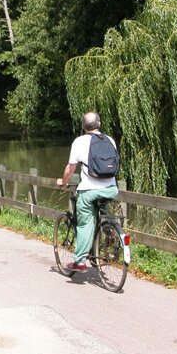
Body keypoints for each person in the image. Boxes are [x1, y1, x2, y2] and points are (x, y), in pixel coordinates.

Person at [56, 111, 118, 272]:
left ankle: (80, 261)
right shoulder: (109, 140)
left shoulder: (80, 141)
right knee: (102, 212)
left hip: (89, 190)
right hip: (111, 189)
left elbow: (70, 168)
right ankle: (108, 233)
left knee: (84, 225)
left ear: (83, 126)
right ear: (99, 124)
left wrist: (63, 182)